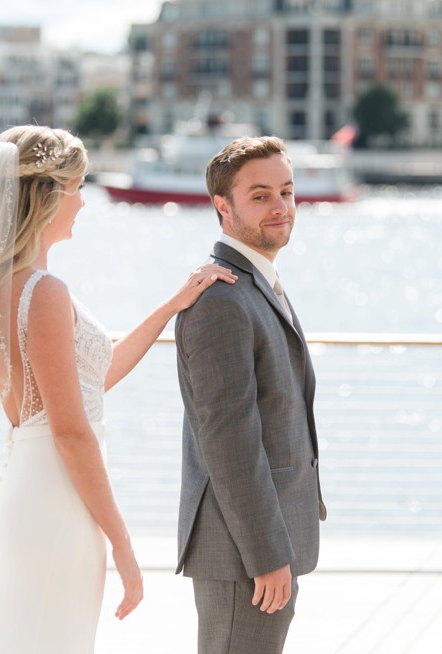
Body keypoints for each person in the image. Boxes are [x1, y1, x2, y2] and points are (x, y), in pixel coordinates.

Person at [0, 125, 236, 652]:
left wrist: (172, 305)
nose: (85, 202)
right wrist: (123, 543)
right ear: (49, 195)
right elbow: (71, 431)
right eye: (79, 187)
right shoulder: (42, 292)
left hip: (28, 491)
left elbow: (91, 381)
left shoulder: (1, 287)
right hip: (57, 503)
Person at [174, 135, 327, 654]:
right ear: (223, 206)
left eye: (286, 191)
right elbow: (228, 441)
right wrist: (265, 554)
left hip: (268, 536)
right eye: (260, 195)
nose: (281, 207)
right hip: (244, 550)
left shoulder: (255, 282)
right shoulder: (221, 299)